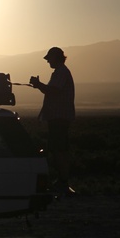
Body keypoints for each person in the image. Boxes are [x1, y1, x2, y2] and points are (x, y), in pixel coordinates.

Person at [30, 47, 75, 197]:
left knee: (59, 150)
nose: (48, 61)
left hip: (59, 117)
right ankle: (62, 181)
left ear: (56, 57)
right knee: (58, 149)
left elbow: (53, 91)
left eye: (49, 58)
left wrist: (38, 85)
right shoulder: (60, 72)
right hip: (58, 117)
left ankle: (63, 182)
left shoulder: (61, 72)